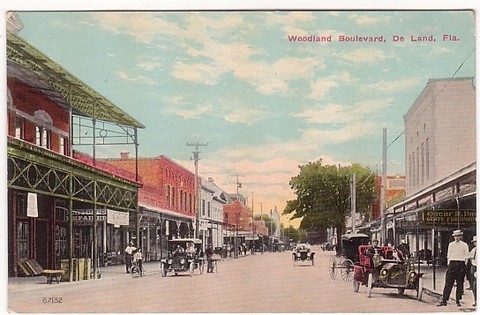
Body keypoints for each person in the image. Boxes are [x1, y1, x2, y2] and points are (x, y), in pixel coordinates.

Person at [437, 229, 470, 307]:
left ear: (460, 236)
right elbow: (449, 255)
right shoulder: (451, 245)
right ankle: (444, 300)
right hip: (452, 264)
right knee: (448, 283)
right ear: (454, 237)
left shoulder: (464, 245)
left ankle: (458, 300)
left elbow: (467, 256)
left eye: (458, 236)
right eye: (455, 236)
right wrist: (449, 265)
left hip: (461, 264)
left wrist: (464, 265)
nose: (457, 238)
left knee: (460, 283)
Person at [468, 236, 477, 307]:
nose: (476, 243)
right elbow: (470, 257)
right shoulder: (474, 250)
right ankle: (476, 300)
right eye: (475, 242)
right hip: (474, 267)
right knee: (474, 285)